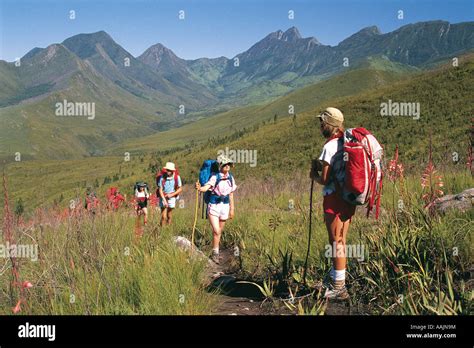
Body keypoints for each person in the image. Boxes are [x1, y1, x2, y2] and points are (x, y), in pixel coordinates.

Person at [310, 107, 355, 300]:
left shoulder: (329, 147)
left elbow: (326, 179)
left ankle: (339, 287)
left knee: (336, 242)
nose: (320, 126)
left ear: (331, 125)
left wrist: (314, 176)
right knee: (341, 241)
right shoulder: (348, 143)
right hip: (348, 197)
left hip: (333, 198)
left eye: (322, 123)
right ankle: (336, 278)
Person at [195, 155, 236, 264]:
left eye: (228, 164)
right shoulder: (214, 177)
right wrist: (200, 188)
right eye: (225, 164)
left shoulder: (231, 178)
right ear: (220, 165)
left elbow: (231, 194)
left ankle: (215, 250)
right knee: (216, 231)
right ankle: (215, 254)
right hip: (213, 205)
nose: (227, 166)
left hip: (225, 206)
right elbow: (207, 187)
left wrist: (232, 209)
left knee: (219, 232)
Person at [158, 162, 182, 226]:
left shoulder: (177, 177)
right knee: (163, 217)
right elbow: (160, 190)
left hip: (172, 197)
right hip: (163, 196)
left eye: (169, 170)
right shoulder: (162, 178)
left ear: (172, 171)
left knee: (169, 215)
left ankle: (168, 227)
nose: (167, 171)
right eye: (167, 170)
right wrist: (164, 200)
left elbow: (180, 189)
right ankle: (162, 231)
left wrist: (172, 195)